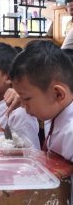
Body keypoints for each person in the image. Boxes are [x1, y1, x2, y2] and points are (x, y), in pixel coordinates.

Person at [10, 40, 73, 204]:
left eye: (26, 99)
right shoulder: (53, 111)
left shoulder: (71, 133)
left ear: (58, 94)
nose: (23, 106)